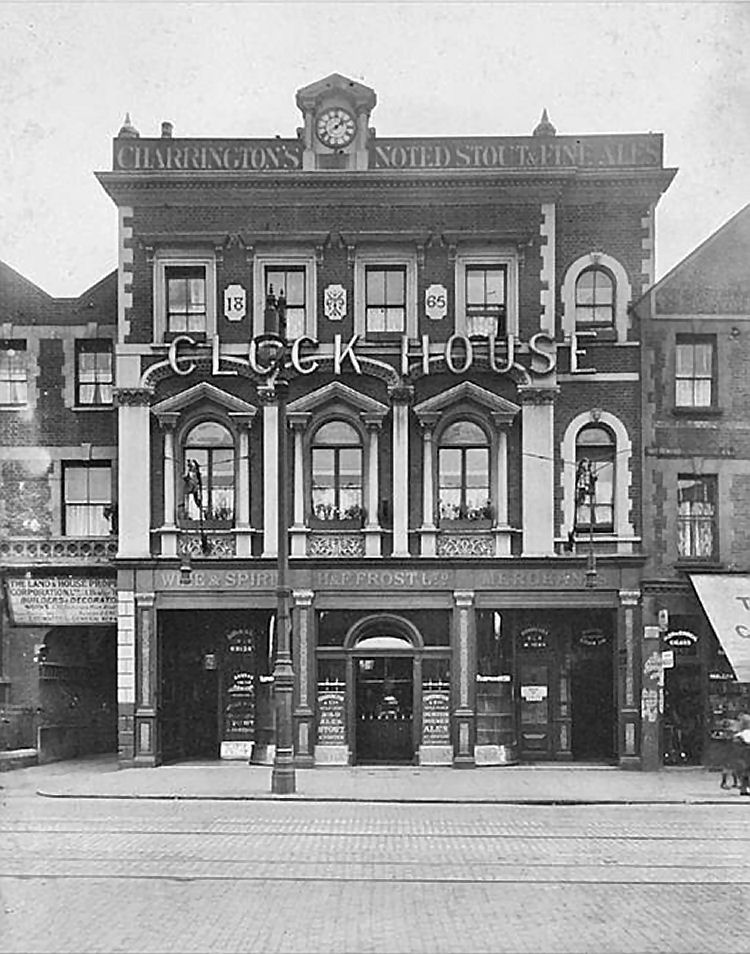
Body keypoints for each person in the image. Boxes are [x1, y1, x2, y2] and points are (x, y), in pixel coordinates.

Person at [732, 713, 750, 796]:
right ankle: (745, 788)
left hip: (743, 757)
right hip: (745, 756)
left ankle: (744, 788)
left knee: (743, 773)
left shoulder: (738, 736)